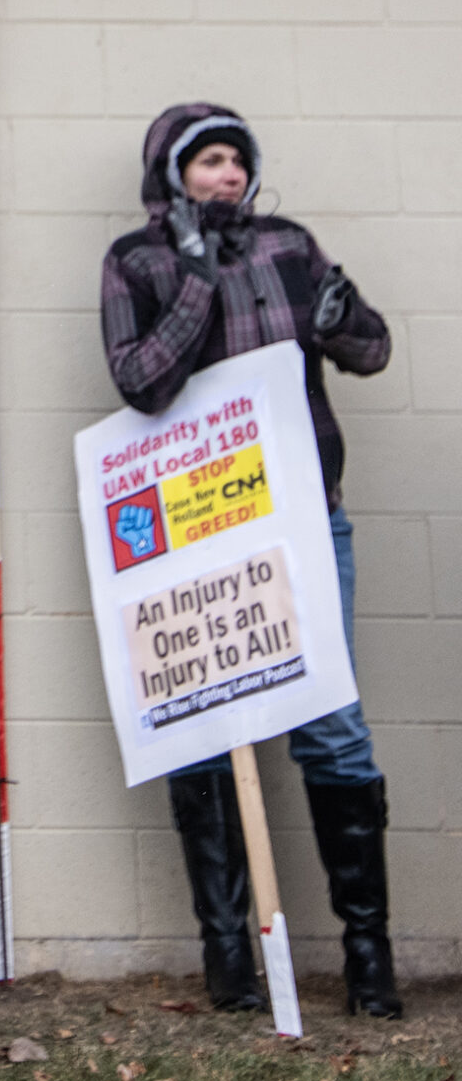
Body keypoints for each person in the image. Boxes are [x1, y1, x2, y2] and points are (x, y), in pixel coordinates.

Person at [101, 103, 398, 1018]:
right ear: (173, 175)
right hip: (196, 526)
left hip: (307, 513)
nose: (227, 176)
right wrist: (194, 278)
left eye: (237, 160)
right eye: (208, 162)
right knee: (202, 719)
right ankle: (228, 954)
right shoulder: (135, 262)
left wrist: (347, 321)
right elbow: (142, 382)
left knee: (331, 721)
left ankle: (368, 959)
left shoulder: (288, 246)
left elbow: (372, 351)